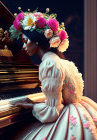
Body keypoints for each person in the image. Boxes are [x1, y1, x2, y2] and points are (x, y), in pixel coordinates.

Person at [9, 8, 97, 140]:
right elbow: (60, 97)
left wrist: (33, 106)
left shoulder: (49, 63)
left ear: (37, 41)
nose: (23, 46)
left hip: (67, 116)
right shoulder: (58, 60)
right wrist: (34, 104)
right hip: (79, 108)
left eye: (26, 41)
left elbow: (52, 112)